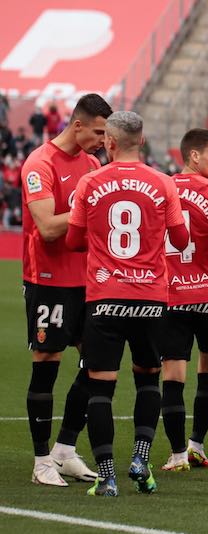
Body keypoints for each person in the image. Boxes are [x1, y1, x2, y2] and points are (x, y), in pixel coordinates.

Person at [65, 111, 189, 497]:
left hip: (105, 298)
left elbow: (72, 240)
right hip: (151, 298)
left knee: (100, 388)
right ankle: (140, 457)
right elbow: (182, 240)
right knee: (148, 379)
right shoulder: (163, 183)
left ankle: (107, 476)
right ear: (142, 139)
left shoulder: (91, 181)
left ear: (112, 143)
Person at [21, 93, 112, 487]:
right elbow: (47, 227)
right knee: (47, 360)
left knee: (97, 365)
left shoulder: (92, 163)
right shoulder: (39, 164)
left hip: (87, 280)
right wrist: (88, 214)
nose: (102, 140)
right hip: (49, 279)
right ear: (77, 125)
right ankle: (41, 461)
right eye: (97, 132)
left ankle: (65, 449)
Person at [159, 129, 208, 472]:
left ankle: (177, 455)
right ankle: (196, 445)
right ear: (194, 156)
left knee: (173, 373)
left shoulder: (163, 188)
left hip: (171, 295)